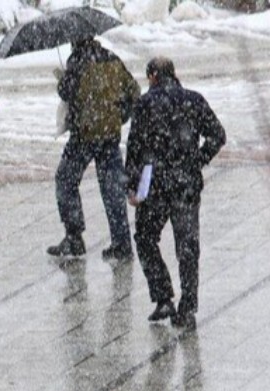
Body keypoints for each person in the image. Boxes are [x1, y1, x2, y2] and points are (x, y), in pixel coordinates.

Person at [126, 57, 226, 328]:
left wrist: (132, 186)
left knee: (146, 238)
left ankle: (163, 297)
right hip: (186, 185)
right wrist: (197, 160)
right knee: (188, 248)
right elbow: (218, 135)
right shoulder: (194, 100)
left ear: (152, 77)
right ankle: (187, 307)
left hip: (156, 186)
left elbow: (134, 148)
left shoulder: (146, 104)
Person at [47, 36, 141, 260]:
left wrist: (62, 79)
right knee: (113, 190)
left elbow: (66, 92)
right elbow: (134, 91)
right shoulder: (112, 59)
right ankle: (121, 243)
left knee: (65, 180)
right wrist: (120, 116)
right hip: (109, 134)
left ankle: (74, 237)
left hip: (84, 135)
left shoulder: (77, 62)